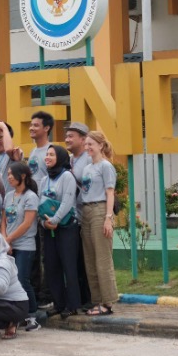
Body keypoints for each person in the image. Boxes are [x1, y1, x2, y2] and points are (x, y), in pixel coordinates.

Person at [80, 130, 119, 316]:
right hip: (86, 211)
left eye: (91, 144)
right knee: (90, 260)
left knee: (103, 258)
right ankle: (97, 301)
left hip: (100, 210)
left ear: (101, 146)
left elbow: (110, 193)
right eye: (86, 144)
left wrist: (108, 219)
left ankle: (108, 302)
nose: (87, 147)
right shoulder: (87, 168)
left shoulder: (106, 166)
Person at [40, 145, 81, 319]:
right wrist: (44, 222)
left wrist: (55, 220)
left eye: (51, 154)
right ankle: (59, 303)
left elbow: (67, 201)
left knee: (69, 266)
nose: (47, 157)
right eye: (46, 154)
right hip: (49, 228)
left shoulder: (67, 176)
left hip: (67, 228)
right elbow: (39, 204)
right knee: (52, 266)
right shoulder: (44, 179)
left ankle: (72, 305)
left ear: (61, 157)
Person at [1, 162, 40, 327]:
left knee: (23, 280)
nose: (9, 177)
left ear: (22, 176)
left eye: (12, 174)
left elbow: (27, 223)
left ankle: (32, 315)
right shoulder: (8, 195)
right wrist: (4, 239)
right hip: (8, 245)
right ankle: (18, 314)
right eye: (8, 174)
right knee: (11, 281)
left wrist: (8, 240)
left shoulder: (31, 197)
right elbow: (3, 220)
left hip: (24, 245)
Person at [64, 121, 93, 310]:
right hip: (74, 216)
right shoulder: (71, 159)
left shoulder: (89, 159)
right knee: (77, 259)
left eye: (71, 136)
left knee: (86, 258)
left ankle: (90, 298)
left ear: (83, 139)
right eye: (66, 135)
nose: (67, 139)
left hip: (87, 214)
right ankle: (81, 298)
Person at [18, 111, 53, 188]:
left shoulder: (52, 151)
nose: (31, 128)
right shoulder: (33, 151)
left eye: (36, 125)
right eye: (31, 125)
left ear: (46, 128)